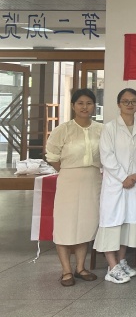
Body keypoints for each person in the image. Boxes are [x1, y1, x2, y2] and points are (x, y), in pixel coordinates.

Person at [45, 88, 103, 287]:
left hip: (93, 180)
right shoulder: (63, 130)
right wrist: (69, 171)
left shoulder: (101, 129)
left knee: (86, 224)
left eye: (89, 103)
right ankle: (66, 270)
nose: (84, 107)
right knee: (65, 224)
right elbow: (52, 156)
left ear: (94, 106)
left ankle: (80, 267)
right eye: (80, 103)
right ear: (73, 106)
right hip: (69, 179)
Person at [94, 88, 136, 284]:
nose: (129, 105)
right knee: (111, 223)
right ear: (118, 104)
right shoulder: (109, 128)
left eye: (133, 101)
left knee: (128, 223)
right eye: (125, 101)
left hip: (134, 183)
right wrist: (124, 177)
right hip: (115, 184)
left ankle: (121, 261)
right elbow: (107, 156)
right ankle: (112, 266)